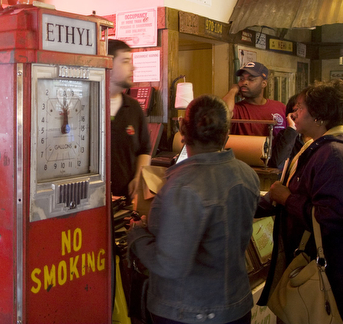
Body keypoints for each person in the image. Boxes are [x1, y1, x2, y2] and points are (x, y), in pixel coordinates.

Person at [128, 95, 260, 324]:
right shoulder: (247, 174)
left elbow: (169, 264)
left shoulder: (183, 186)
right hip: (237, 306)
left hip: (189, 312)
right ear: (226, 134)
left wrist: (137, 234)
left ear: (182, 131)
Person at [258, 79, 343, 323]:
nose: (294, 113)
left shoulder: (334, 154)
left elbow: (334, 218)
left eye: (300, 108)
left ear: (320, 116)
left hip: (328, 270)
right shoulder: (320, 147)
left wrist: (287, 198)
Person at [108, 39, 151, 204]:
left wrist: (138, 178)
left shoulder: (133, 106)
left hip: (124, 203)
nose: (132, 68)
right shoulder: (88, 104)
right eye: (125, 61)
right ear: (108, 65)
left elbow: (144, 150)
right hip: (92, 204)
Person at [222, 61, 286, 138]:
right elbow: (222, 113)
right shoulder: (237, 109)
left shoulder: (280, 107)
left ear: (264, 83)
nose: (244, 82)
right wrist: (233, 91)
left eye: (251, 79)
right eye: (242, 79)